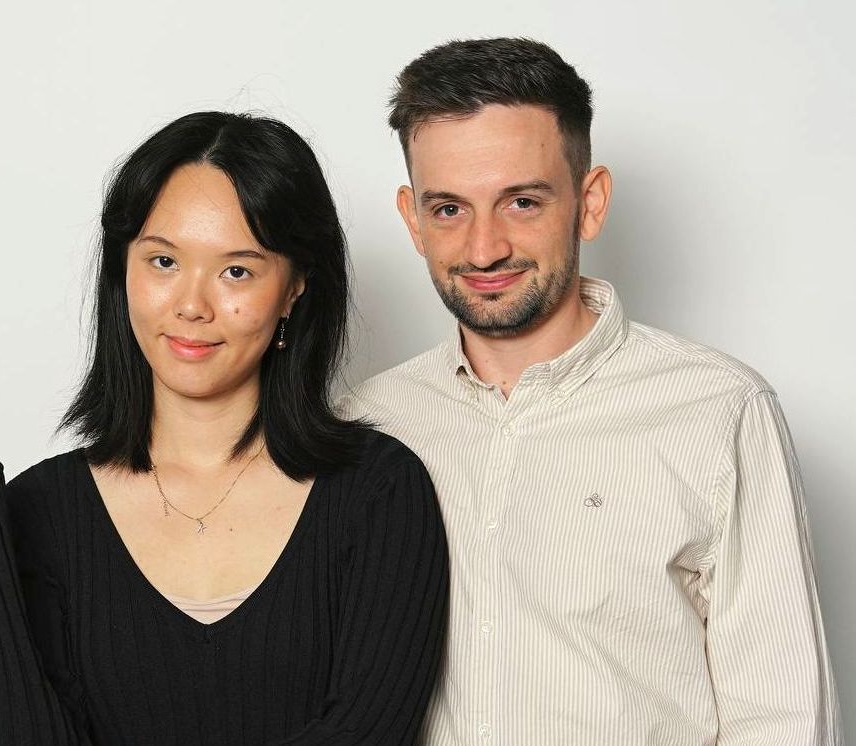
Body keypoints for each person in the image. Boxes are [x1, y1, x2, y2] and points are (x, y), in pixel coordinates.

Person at [0, 111, 449, 745]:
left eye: (237, 270)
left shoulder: (378, 491)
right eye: (163, 261)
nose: (191, 305)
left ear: (295, 290)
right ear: (122, 272)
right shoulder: (40, 511)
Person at [338, 38, 843, 744]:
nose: (483, 249)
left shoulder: (717, 412)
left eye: (520, 201)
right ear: (412, 219)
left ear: (589, 201)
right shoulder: (365, 426)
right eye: (448, 209)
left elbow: (783, 716)